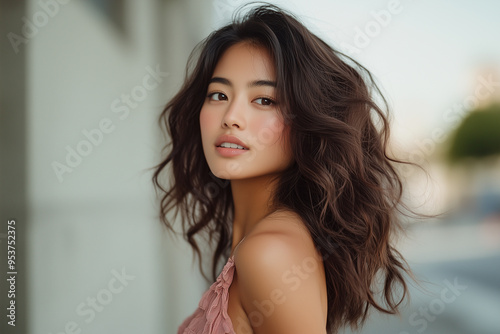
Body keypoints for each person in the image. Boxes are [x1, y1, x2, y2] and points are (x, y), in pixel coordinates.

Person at [153, 3, 414, 333]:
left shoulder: (271, 252)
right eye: (218, 94)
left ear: (305, 121)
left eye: (264, 100)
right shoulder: (262, 243)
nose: (231, 116)